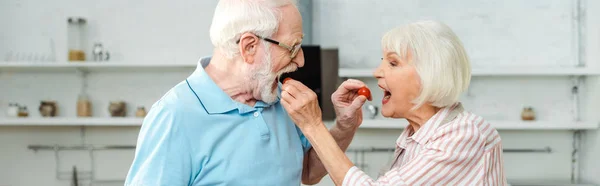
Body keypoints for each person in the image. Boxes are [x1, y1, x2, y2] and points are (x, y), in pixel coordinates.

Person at [125, 0, 368, 185]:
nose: (301, 60)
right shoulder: (174, 116)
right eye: (293, 47)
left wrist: (344, 127)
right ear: (249, 47)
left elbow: (307, 171)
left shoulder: (281, 99)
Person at [281, 20, 508, 185]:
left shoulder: (463, 134)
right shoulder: (415, 135)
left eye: (392, 63)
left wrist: (313, 125)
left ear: (428, 74)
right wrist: (344, 125)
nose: (377, 72)